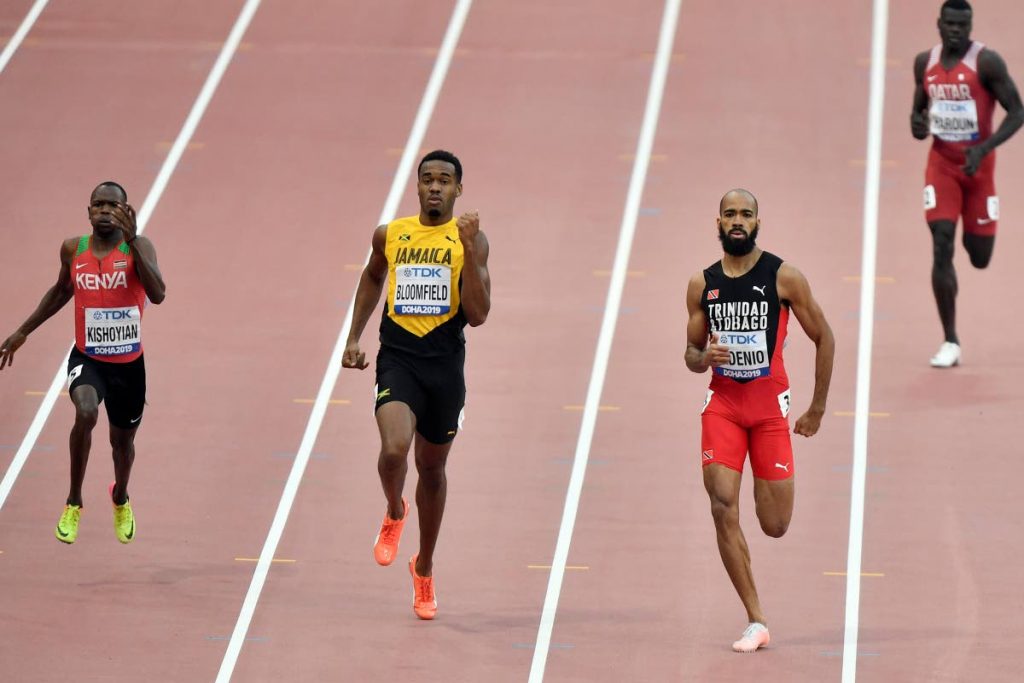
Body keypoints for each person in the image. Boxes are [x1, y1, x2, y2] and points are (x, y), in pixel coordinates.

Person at [342, 150, 491, 620]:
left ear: (458, 190)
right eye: (427, 179)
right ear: (417, 185)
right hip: (399, 360)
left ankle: (423, 567)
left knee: (432, 469)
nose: (434, 187)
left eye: (444, 180)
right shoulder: (391, 233)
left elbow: (479, 314)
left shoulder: (471, 239)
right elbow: (371, 277)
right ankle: (394, 509)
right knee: (393, 451)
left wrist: (468, 250)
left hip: (445, 368)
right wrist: (352, 337)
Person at [684, 189, 834, 652]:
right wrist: (702, 356)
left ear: (757, 223)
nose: (737, 221)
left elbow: (824, 337)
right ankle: (756, 619)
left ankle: (765, 484)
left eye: (745, 214)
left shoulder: (783, 277)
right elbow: (690, 355)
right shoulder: (701, 284)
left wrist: (816, 408)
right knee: (721, 504)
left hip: (769, 412)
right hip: (725, 406)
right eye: (730, 213)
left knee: (774, 524)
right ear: (718, 222)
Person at [0, 181, 165, 544]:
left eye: (113, 206)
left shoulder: (139, 248)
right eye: (99, 205)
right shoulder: (73, 249)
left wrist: (135, 241)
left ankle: (120, 496)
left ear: (126, 211)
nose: (105, 211)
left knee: (122, 445)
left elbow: (159, 294)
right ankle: (73, 501)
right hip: (88, 358)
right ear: (88, 211)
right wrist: (23, 331)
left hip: (129, 366)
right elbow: (61, 291)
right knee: (86, 411)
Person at [910, 0, 1023, 367]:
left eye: (964, 24)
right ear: (939, 24)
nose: (957, 30)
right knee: (942, 244)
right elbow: (918, 113)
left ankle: (979, 230)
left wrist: (984, 147)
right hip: (942, 166)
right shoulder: (923, 63)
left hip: (979, 169)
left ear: (970, 25)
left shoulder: (986, 63)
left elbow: (1018, 111)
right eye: (951, 24)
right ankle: (950, 340)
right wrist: (918, 125)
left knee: (979, 257)